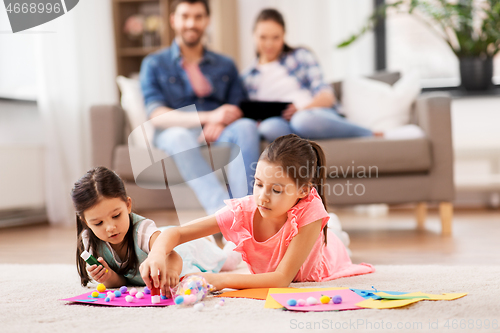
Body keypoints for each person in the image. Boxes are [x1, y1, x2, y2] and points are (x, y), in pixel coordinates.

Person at [139, 134, 375, 294]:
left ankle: (333, 229)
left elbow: (281, 279)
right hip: (297, 238)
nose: (263, 196)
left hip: (324, 255)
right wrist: (157, 254)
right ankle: (332, 228)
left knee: (336, 239)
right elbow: (177, 232)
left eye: (276, 190)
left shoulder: (309, 211)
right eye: (259, 184)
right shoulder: (245, 210)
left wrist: (216, 280)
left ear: (303, 191)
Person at [140, 0, 260, 214]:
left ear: (207, 20)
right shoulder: (154, 63)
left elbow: (238, 106)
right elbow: (157, 115)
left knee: (247, 127)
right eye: (185, 16)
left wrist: (221, 120)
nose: (191, 23)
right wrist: (209, 117)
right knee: (178, 136)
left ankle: (247, 210)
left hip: (220, 130)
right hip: (176, 131)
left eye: (198, 17)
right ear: (173, 20)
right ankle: (225, 215)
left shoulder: (226, 64)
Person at [72, 166, 241, 289]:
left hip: (183, 250)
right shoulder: (89, 241)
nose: (110, 227)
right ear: (85, 221)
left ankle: (236, 241)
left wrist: (172, 272)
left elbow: (174, 256)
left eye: (116, 216)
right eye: (98, 223)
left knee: (226, 262)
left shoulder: (142, 230)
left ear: (128, 205)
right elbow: (122, 281)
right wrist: (107, 276)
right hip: (164, 234)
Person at [243, 8, 374, 142]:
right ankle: (300, 151)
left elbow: (327, 96)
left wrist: (300, 109)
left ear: (284, 35)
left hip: (311, 114)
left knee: (302, 121)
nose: (269, 44)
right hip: (279, 122)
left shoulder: (301, 56)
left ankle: (368, 133)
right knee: (269, 129)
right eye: (263, 37)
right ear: (253, 35)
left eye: (276, 37)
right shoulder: (248, 77)